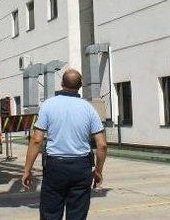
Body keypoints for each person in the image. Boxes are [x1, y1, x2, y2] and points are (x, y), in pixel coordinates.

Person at [21, 69, 107, 220]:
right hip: (81, 168)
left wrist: (27, 170)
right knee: (77, 215)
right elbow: (102, 145)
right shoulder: (89, 109)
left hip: (56, 168)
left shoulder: (48, 105)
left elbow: (36, 140)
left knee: (51, 213)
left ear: (61, 84)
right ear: (80, 86)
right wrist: (98, 171)